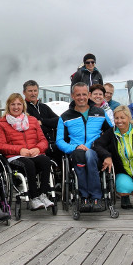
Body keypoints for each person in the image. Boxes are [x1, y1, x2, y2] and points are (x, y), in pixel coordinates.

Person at [0, 93, 55, 210]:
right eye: (13, 104)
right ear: (8, 106)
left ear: (23, 106)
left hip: (34, 153)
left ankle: (43, 194)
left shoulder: (32, 120)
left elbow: (43, 140)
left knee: (46, 161)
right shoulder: (1, 124)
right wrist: (19, 150)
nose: (16, 107)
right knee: (29, 164)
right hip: (14, 156)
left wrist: (38, 148)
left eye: (19, 104)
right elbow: (0, 145)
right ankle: (34, 198)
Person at [56, 82, 111, 212]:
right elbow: (59, 141)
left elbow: (110, 134)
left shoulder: (100, 113)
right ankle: (85, 196)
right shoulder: (65, 117)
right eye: (78, 95)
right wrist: (75, 147)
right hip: (76, 152)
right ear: (72, 96)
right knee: (83, 154)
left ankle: (94, 197)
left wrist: (104, 151)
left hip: (96, 152)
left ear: (89, 95)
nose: (81, 97)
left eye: (84, 94)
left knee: (90, 154)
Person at [94, 106, 133, 209]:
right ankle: (125, 197)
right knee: (123, 190)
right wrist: (107, 156)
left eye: (122, 118)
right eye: (116, 118)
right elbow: (97, 144)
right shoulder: (112, 132)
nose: (119, 121)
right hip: (124, 172)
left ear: (129, 118)